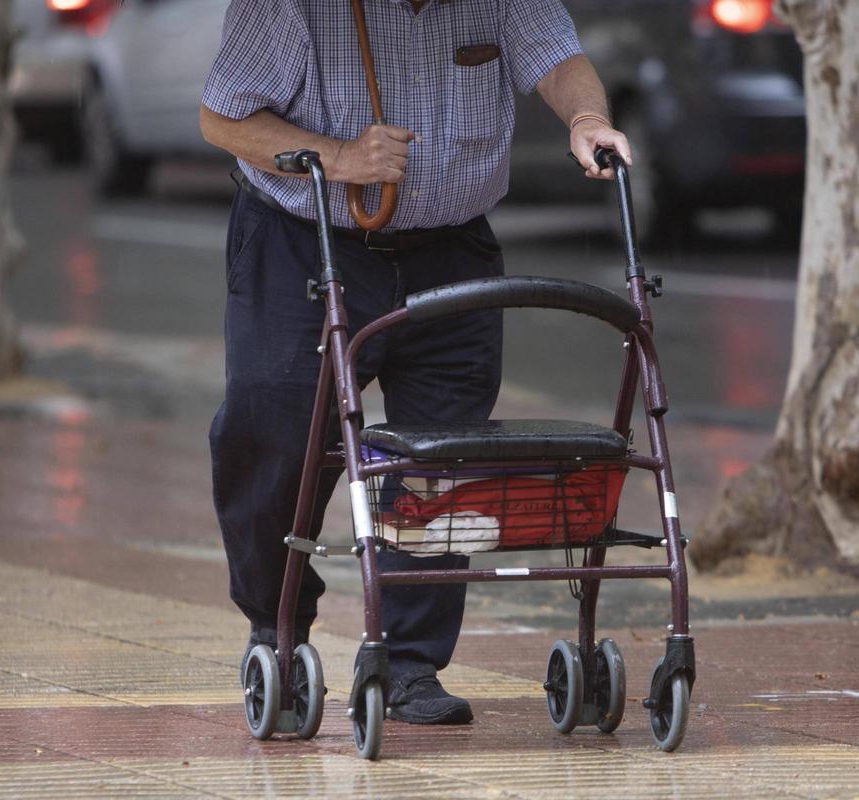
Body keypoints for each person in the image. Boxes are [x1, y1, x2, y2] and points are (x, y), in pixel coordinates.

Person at [200, 0, 631, 726]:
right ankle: (276, 624)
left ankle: (408, 662)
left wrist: (587, 119)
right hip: (303, 239)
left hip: (451, 245)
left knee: (443, 456)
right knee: (272, 427)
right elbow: (223, 117)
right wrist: (338, 157)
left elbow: (557, 58)